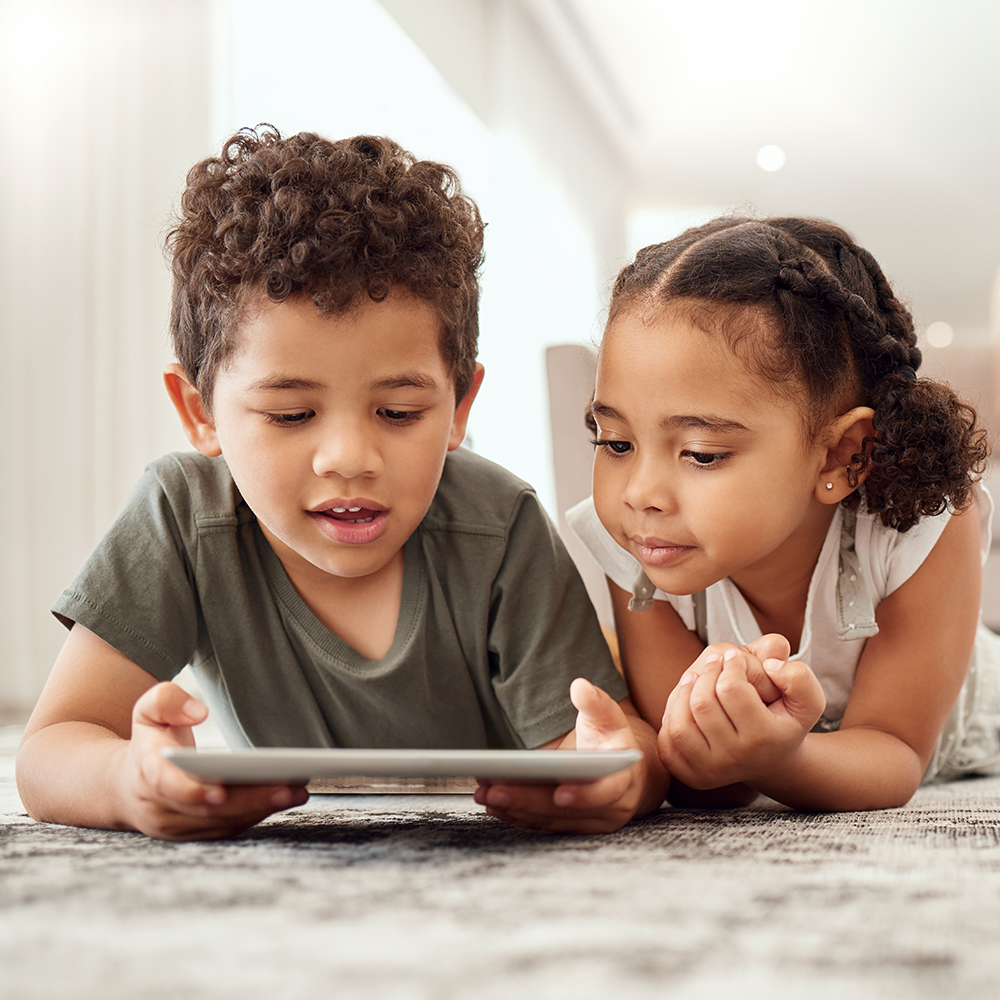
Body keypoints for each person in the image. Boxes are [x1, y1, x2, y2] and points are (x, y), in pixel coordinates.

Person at [16, 127, 665, 840]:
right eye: (292, 414)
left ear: (459, 407)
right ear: (200, 413)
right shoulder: (182, 514)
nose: (350, 457)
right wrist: (129, 781)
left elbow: (620, 748)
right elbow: (51, 748)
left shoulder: (499, 524)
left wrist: (616, 775)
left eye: (398, 412)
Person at [568, 215, 1000, 811]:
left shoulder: (925, 524)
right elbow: (700, 774)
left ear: (843, 455)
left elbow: (894, 753)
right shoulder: (636, 540)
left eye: (701, 453)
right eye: (615, 442)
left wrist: (782, 758)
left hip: (963, 729)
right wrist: (716, 731)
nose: (640, 493)